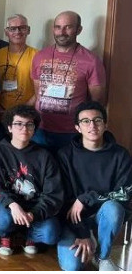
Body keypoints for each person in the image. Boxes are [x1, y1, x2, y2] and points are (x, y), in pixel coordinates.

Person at [56, 101, 132, 271]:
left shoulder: (121, 155)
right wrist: (82, 234)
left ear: (105, 124)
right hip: (74, 221)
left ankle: (102, 256)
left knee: (113, 208)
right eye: (85, 121)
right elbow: (62, 201)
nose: (92, 125)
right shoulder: (64, 155)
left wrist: (87, 198)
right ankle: (90, 238)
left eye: (97, 120)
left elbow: (124, 194)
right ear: (77, 127)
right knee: (72, 266)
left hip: (104, 217)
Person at [0, 105, 62, 256]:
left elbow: (54, 194)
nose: (24, 128)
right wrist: (13, 205)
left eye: (29, 124)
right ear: (9, 127)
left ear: (34, 129)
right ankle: (6, 236)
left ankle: (29, 236)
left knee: (51, 233)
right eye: (18, 123)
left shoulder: (44, 156)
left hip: (35, 208)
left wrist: (33, 214)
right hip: (8, 206)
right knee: (4, 220)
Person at [31, 11, 106, 153]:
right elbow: (37, 92)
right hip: (40, 128)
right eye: (58, 27)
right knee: (40, 172)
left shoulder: (91, 61)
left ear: (79, 29)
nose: (62, 32)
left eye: (68, 27)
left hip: (72, 131)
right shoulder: (39, 56)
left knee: (69, 173)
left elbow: (97, 102)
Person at [0, 14, 37, 147]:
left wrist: (22, 110)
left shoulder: (37, 56)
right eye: (13, 28)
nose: (17, 32)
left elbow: (41, 89)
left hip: (25, 119)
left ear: (28, 30)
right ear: (6, 32)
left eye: (22, 28)